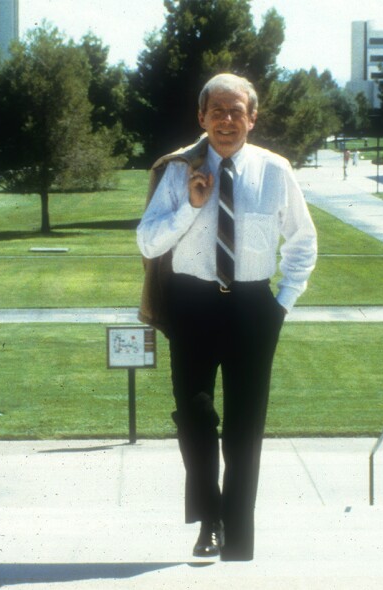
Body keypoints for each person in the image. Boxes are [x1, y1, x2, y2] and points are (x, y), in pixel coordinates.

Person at [136, 73, 317, 561]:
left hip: (254, 309)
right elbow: (149, 242)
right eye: (217, 110)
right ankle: (210, 517)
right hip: (191, 306)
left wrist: (283, 303)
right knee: (194, 418)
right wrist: (191, 207)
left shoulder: (276, 171)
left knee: (244, 428)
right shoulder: (180, 172)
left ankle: (236, 537)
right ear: (202, 118)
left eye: (237, 111)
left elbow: (303, 242)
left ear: (253, 118)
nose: (227, 120)